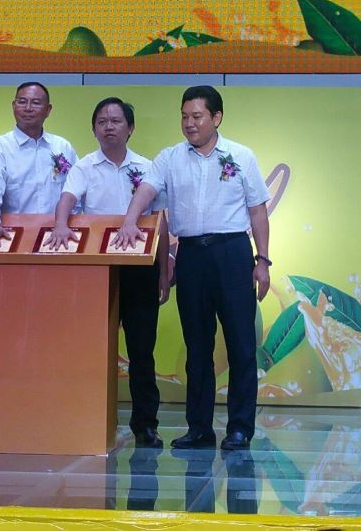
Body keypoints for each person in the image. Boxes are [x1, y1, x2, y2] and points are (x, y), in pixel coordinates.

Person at [118, 85, 270, 451]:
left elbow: (257, 211)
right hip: (191, 256)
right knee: (197, 346)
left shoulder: (241, 156)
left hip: (232, 253)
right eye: (184, 116)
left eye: (197, 116)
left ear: (216, 117)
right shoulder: (170, 157)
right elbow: (146, 191)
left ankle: (240, 428)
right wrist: (129, 221)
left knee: (240, 345)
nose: (189, 123)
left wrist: (262, 261)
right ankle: (199, 428)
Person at [50, 97, 168, 447]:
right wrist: (60, 225)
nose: (109, 127)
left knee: (141, 349)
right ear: (94, 129)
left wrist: (164, 271)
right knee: (91, 347)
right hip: (97, 270)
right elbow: (67, 200)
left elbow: (161, 221)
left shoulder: (148, 168)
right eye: (102, 121)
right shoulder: (84, 166)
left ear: (130, 128)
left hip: (140, 269)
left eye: (116, 121)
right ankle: (87, 419)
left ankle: (145, 424)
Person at [0, 81, 78, 248]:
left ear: (48, 110)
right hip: (12, 236)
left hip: (57, 236)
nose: (28, 108)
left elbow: (76, 189)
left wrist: (72, 222)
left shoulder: (62, 146)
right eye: (22, 102)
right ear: (13, 106)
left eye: (36, 103)